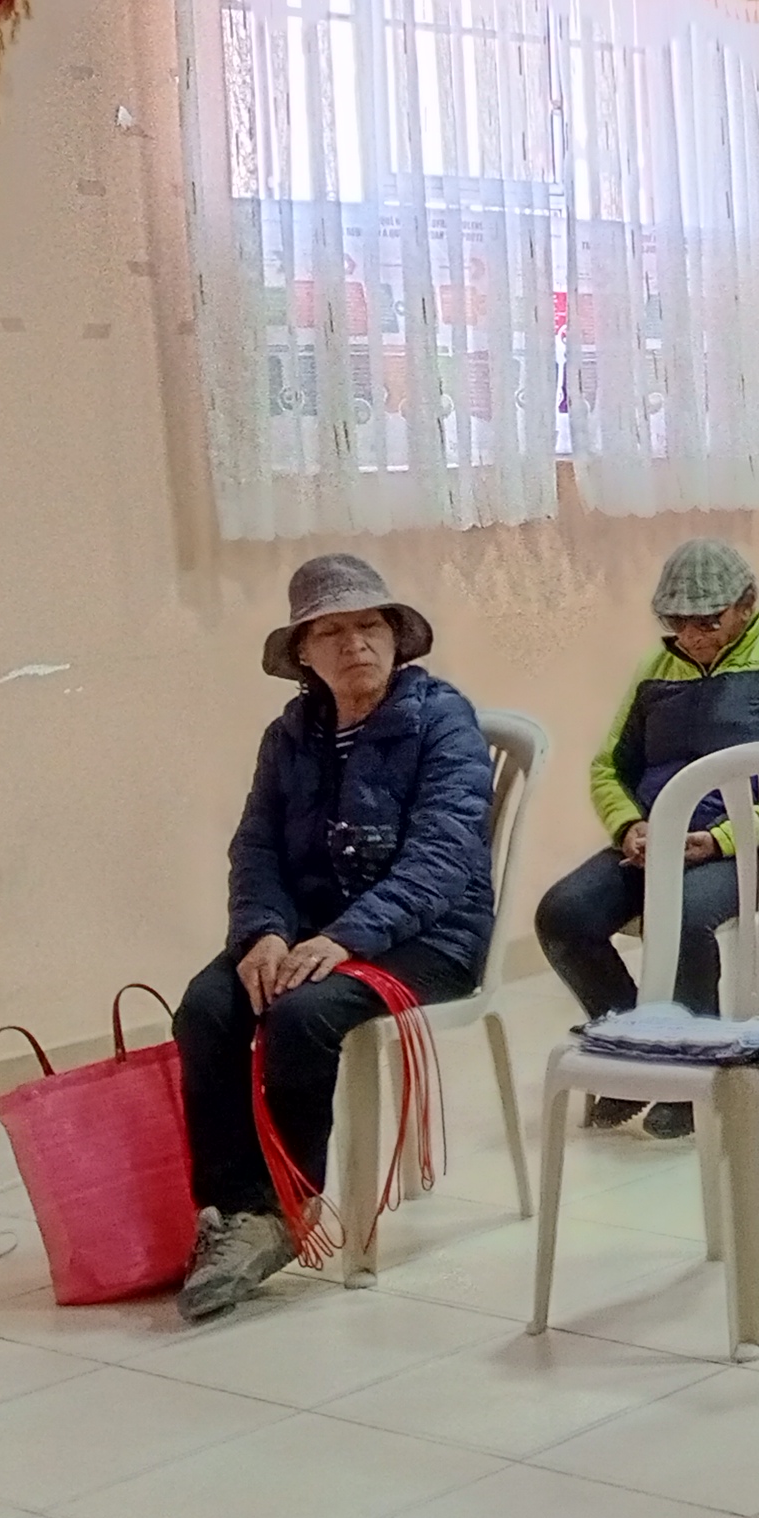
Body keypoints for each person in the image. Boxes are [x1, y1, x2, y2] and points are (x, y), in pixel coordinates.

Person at [173, 556, 493, 1320]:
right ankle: (235, 1210)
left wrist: (347, 938)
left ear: (397, 637)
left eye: (370, 625)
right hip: (317, 932)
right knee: (209, 1007)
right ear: (304, 656)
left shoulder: (441, 719)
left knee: (301, 1014)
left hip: (429, 936)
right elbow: (256, 848)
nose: (355, 643)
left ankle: (288, 1208)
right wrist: (262, 933)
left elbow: (443, 859)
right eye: (333, 630)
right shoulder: (290, 736)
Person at [533, 538, 759, 1140]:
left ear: (747, 604)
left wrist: (722, 839)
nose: (695, 635)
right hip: (661, 839)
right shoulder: (657, 670)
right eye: (679, 622)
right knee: (563, 915)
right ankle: (637, 1052)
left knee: (677, 911)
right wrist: (631, 826)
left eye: (710, 620)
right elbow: (609, 766)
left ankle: (699, 1071)